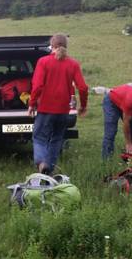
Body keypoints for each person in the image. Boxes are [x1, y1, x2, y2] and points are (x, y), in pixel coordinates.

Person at [28, 34, 88, 175]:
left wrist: (32, 103)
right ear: (65, 46)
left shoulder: (43, 62)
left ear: (52, 45)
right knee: (56, 139)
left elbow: (37, 85)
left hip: (45, 109)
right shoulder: (73, 64)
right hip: (63, 111)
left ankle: (42, 163)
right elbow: (83, 87)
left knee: (39, 138)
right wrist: (83, 106)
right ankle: (50, 168)